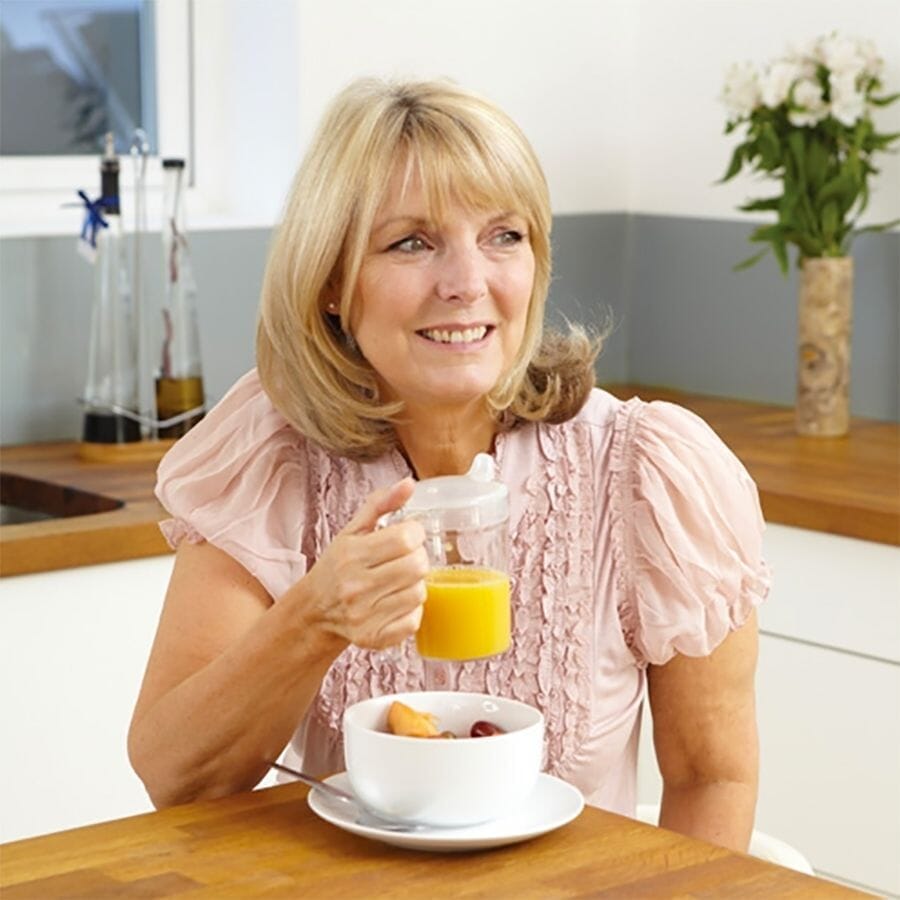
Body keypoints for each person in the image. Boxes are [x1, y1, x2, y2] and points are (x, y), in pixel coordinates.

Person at [128, 77, 769, 853]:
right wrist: (315, 618)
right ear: (332, 282)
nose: (467, 285)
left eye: (505, 236)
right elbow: (176, 777)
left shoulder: (646, 473)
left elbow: (712, 776)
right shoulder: (275, 454)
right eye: (412, 242)